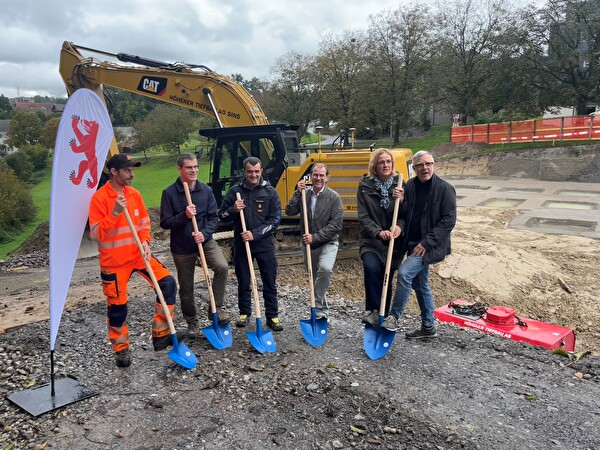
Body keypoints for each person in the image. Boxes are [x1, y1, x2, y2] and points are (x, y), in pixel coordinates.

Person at [88, 154, 187, 368]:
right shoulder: (100, 198)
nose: (132, 174)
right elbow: (96, 234)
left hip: (139, 256)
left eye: (133, 170)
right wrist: (114, 212)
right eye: (127, 170)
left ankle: (161, 334)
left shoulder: (134, 194)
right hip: (114, 262)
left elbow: (143, 222)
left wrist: (145, 240)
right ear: (114, 172)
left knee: (168, 284)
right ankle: (121, 349)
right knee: (117, 308)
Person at [381, 150, 456, 337]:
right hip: (411, 242)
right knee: (420, 285)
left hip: (427, 246)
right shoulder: (411, 186)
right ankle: (428, 327)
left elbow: (449, 220)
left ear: (434, 165)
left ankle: (394, 317)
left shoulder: (444, 189)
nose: (425, 168)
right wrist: (402, 201)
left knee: (405, 273)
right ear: (413, 168)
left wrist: (426, 243)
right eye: (420, 165)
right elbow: (406, 213)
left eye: (428, 164)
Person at [159, 153, 231, 337]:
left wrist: (204, 233)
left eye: (196, 167)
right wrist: (184, 215)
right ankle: (192, 322)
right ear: (180, 169)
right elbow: (165, 222)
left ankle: (216, 308)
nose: (194, 170)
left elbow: (213, 217)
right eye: (189, 167)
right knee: (186, 286)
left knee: (222, 267)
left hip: (204, 240)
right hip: (182, 246)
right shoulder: (170, 193)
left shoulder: (205, 190)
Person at [218, 156, 283, 331]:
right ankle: (245, 313)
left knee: (269, 280)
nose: (253, 175)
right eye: (249, 172)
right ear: (244, 172)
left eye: (256, 171)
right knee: (244, 280)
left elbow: (276, 219)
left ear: (261, 171)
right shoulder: (235, 191)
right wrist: (233, 210)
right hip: (241, 245)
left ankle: (273, 316)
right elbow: (221, 215)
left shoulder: (270, 192)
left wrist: (255, 234)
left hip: (264, 245)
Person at [285, 163, 343, 320]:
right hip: (308, 244)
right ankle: (321, 312)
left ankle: (317, 307)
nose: (318, 178)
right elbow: (289, 211)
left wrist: (315, 237)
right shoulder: (306, 194)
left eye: (322, 175)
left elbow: (336, 225)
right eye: (315, 175)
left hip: (328, 242)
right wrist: (298, 193)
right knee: (314, 276)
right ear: (310, 177)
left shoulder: (334, 198)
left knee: (324, 269)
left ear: (327, 178)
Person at [357, 148, 404, 326]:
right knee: (371, 267)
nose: (385, 165)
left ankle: (383, 313)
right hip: (371, 240)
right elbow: (363, 216)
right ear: (374, 166)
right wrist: (377, 231)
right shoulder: (364, 185)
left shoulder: (400, 185)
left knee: (387, 275)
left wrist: (399, 227)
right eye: (381, 162)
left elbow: (406, 214)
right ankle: (374, 311)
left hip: (394, 242)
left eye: (388, 162)